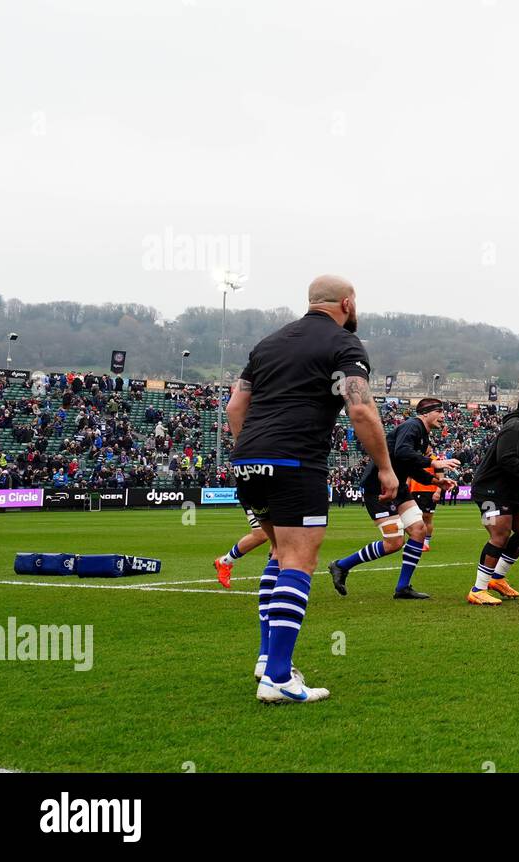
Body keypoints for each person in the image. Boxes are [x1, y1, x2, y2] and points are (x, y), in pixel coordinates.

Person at [228, 274, 396, 703]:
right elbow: (359, 410)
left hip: (248, 460)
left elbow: (235, 406)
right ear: (347, 303)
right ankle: (279, 679)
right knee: (299, 562)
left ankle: (268, 660)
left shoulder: (268, 344)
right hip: (295, 461)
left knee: (278, 554)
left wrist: (251, 450)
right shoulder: (344, 345)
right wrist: (385, 469)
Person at [327, 398, 459, 599]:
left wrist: (436, 481)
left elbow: (411, 466)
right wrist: (435, 463)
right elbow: (402, 451)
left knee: (418, 530)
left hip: (399, 486)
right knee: (394, 542)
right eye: (439, 411)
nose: (444, 416)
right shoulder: (412, 426)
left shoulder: (423, 435)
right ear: (425, 413)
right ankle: (341, 565)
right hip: (378, 486)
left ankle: (402, 587)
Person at [467, 392, 519, 605]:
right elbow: (506, 459)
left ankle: (497, 578)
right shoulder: (514, 427)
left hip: (511, 491)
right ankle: (478, 589)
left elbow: (514, 465)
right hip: (490, 490)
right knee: (499, 534)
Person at [213, 507, 270, 590]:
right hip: (257, 497)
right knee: (261, 534)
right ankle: (225, 562)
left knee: (280, 536)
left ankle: (276, 577)